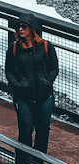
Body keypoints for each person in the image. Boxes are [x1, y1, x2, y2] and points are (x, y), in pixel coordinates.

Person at [6, 18, 59, 152]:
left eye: (24, 26)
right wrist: (17, 85)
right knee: (25, 128)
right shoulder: (14, 48)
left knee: (43, 130)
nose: (20, 29)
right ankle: (24, 163)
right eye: (18, 27)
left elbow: (54, 68)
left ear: (32, 28)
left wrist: (47, 82)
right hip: (23, 96)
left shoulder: (46, 46)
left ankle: (38, 163)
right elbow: (9, 70)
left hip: (44, 96)